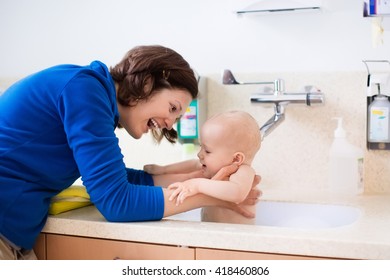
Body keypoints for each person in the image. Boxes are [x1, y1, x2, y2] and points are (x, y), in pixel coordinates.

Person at [0, 45, 261, 260]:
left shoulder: (91, 95)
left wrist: (209, 180)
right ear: (147, 83)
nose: (170, 124)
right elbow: (117, 202)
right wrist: (211, 195)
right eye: (172, 108)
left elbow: (114, 180)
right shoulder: (84, 92)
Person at [144, 110, 261, 224]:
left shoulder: (243, 171)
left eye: (208, 151)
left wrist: (197, 185)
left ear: (236, 159)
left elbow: (237, 193)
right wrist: (163, 169)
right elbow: (192, 164)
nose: (200, 154)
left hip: (235, 240)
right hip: (210, 234)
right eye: (201, 147)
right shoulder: (213, 168)